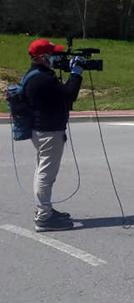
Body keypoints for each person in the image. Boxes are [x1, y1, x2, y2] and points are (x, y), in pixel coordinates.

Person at [24, 39, 84, 231]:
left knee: (43, 172)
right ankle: (44, 217)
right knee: (46, 175)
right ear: (43, 57)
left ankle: (45, 209)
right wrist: (76, 73)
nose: (56, 58)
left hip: (43, 130)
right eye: (53, 54)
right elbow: (69, 95)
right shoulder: (43, 79)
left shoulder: (37, 75)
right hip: (49, 132)